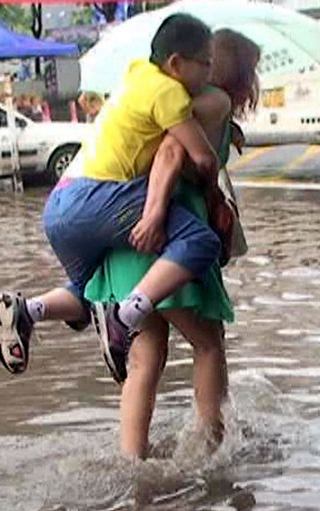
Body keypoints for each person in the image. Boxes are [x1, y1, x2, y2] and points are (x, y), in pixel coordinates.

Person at [0, 14, 223, 384]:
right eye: (205, 63)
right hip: (97, 198)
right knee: (200, 240)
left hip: (59, 206)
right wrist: (211, 191)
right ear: (176, 63)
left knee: (87, 294)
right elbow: (202, 157)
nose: (209, 74)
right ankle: (124, 316)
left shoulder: (135, 74)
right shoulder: (169, 92)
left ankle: (28, 310)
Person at [85, 29, 260, 459]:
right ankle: (211, 450)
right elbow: (168, 154)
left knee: (146, 357)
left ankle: (132, 462)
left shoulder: (179, 103)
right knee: (208, 342)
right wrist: (156, 213)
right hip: (168, 241)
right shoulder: (212, 101)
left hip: (128, 242)